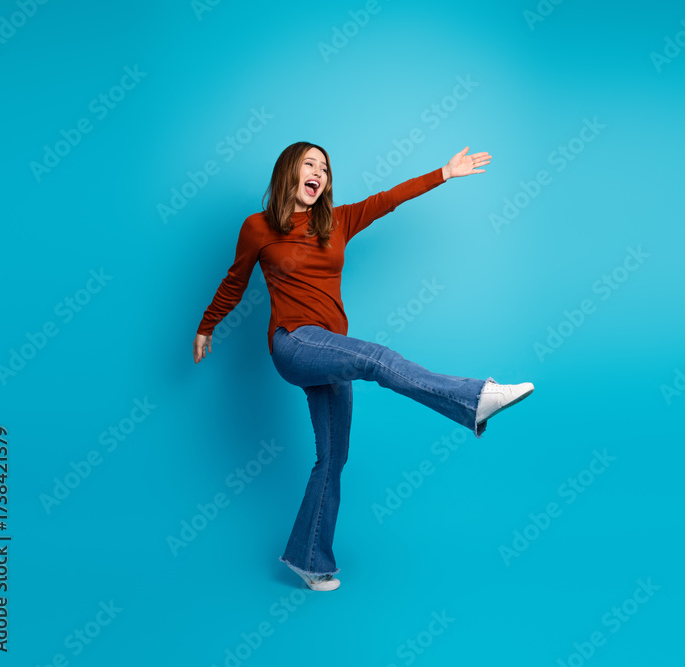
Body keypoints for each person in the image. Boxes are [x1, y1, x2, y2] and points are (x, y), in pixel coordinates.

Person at [192, 141, 534, 591]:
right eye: (310, 165)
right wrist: (206, 326)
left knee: (333, 457)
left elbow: (388, 200)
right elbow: (234, 280)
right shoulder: (258, 227)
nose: (320, 173)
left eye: (326, 169)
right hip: (293, 343)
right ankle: (474, 399)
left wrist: (444, 174)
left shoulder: (337, 221)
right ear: (289, 173)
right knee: (373, 358)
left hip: (328, 346)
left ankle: (308, 559)